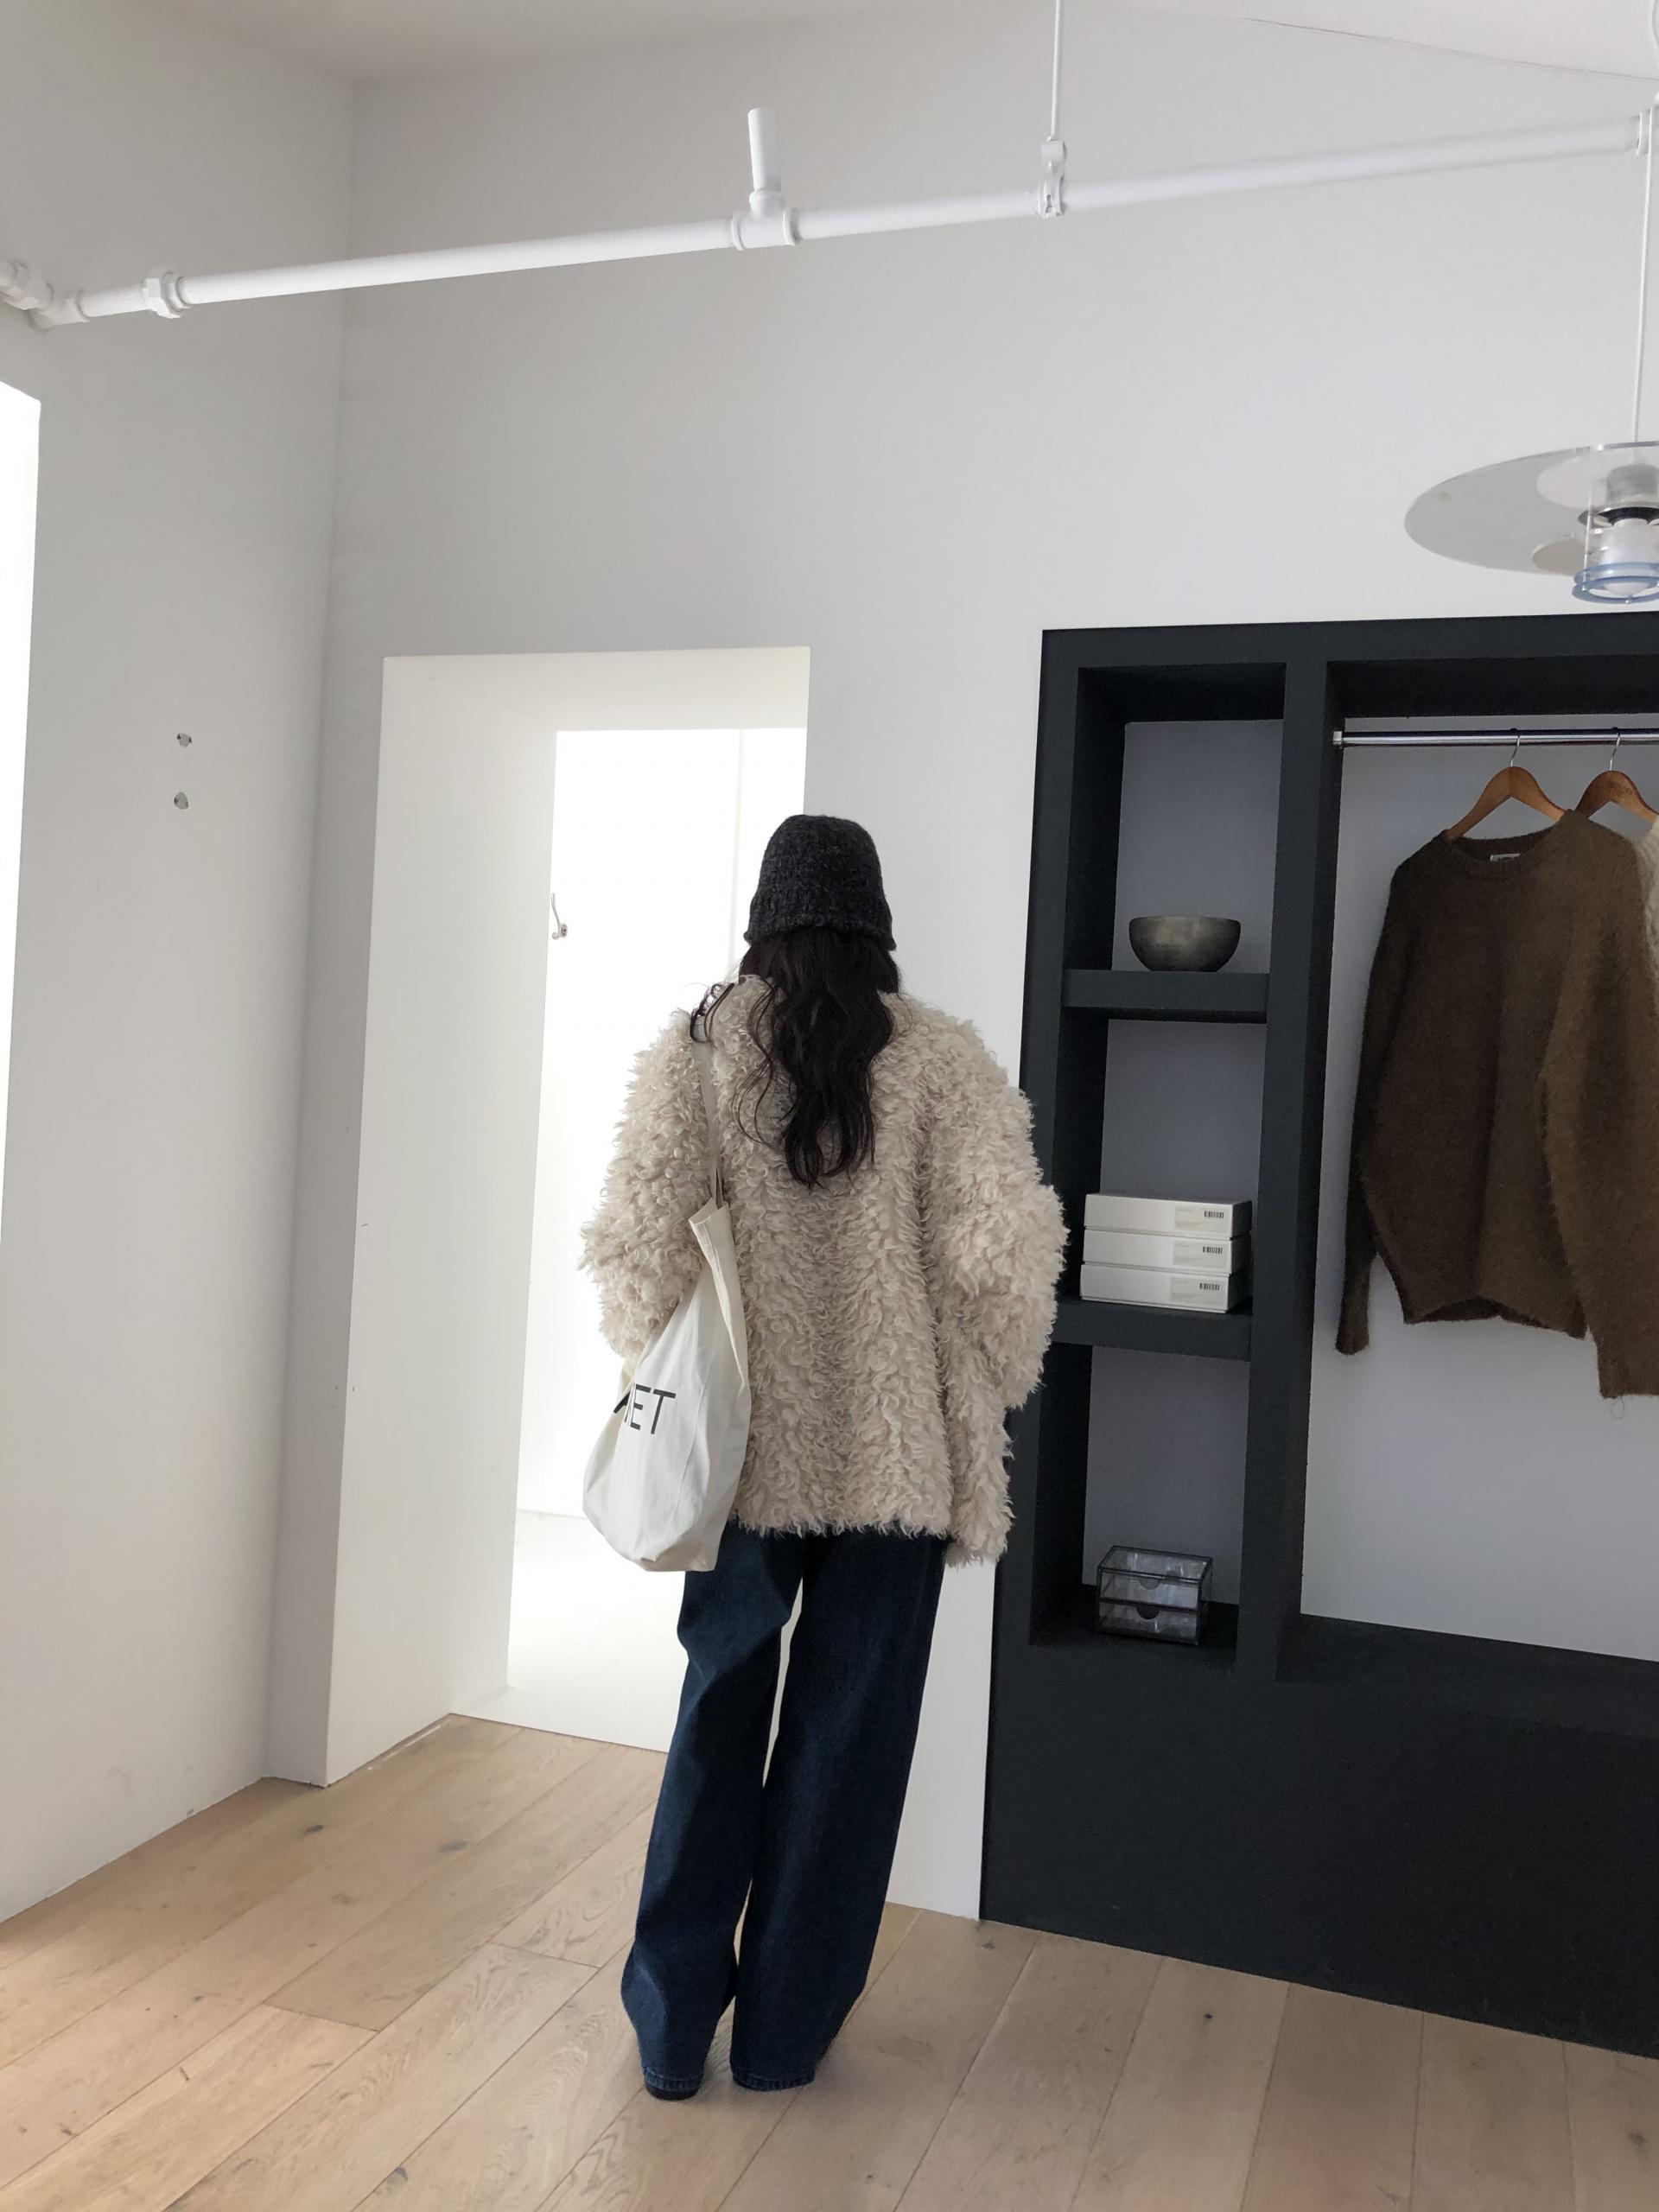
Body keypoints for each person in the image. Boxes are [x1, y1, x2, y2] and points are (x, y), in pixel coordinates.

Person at [582, 812, 1064, 2100]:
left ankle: (672, 2032)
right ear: (877, 923)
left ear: (762, 920)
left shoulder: (698, 1052)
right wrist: (981, 1385)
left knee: (716, 1715)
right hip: (897, 1466)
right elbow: (1008, 1260)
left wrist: (663, 1372)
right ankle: (785, 2038)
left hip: (740, 1456)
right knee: (849, 1747)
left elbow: (634, 1244)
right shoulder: (944, 1060)